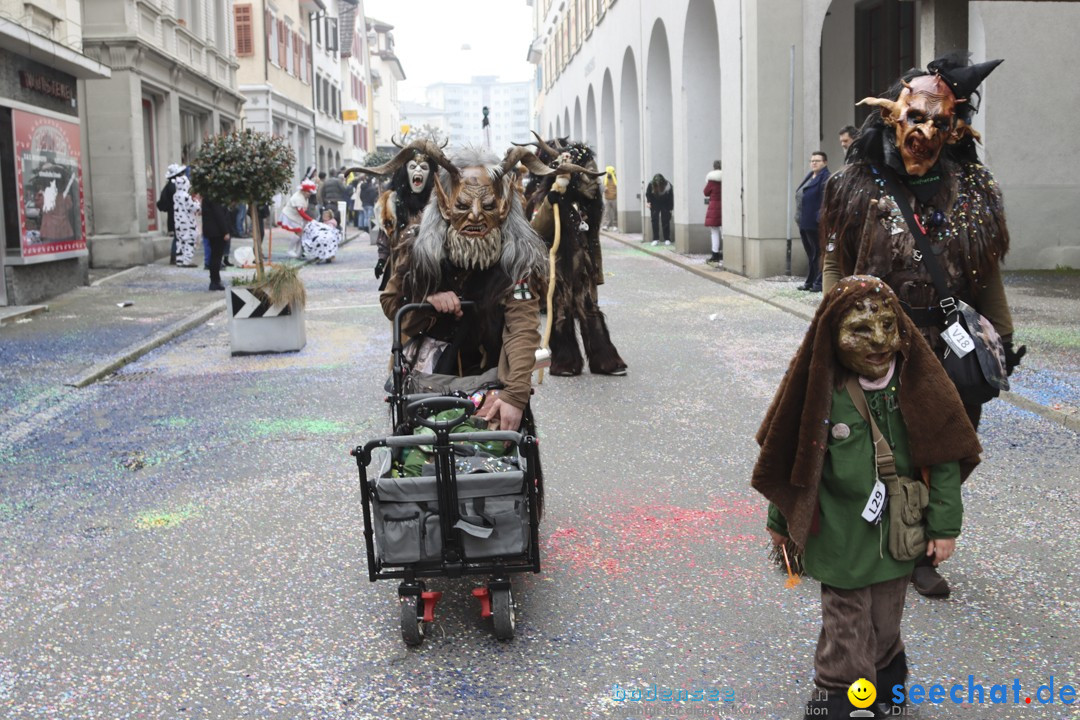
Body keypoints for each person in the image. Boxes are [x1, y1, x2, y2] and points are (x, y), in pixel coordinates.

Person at [820, 53, 1025, 598]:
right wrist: (831, 322)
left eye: (940, 122)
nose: (926, 132)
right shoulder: (855, 184)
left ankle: (927, 537)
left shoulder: (974, 189)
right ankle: (901, 545)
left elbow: (986, 271)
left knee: (949, 445)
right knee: (884, 444)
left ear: (955, 126)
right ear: (894, 116)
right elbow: (837, 262)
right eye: (916, 118)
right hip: (879, 341)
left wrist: (1000, 340)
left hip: (949, 345)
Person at [752, 275, 981, 719]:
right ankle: (840, 697)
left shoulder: (918, 384)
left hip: (899, 537)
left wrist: (944, 527)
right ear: (832, 332)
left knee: (884, 623)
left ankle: (886, 686)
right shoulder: (821, 390)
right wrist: (781, 523)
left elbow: (945, 458)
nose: (878, 341)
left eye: (888, 327)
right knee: (846, 623)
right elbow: (790, 461)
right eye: (860, 329)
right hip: (839, 537)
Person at [380, 145, 551, 431]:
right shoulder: (417, 246)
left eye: (486, 206)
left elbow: (522, 325)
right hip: (429, 386)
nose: (474, 216)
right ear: (446, 204)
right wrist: (428, 302)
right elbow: (391, 304)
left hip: (492, 382)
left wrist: (514, 395)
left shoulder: (517, 257)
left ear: (504, 205)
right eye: (462, 205)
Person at [527, 136, 627, 377]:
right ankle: (565, 360)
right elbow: (537, 228)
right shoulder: (546, 198)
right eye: (587, 175)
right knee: (560, 312)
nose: (594, 182)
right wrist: (553, 198)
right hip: (557, 268)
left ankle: (604, 360)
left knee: (589, 310)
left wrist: (595, 270)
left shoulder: (587, 204)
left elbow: (591, 238)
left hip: (583, 268)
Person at [350, 141, 437, 288]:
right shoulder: (392, 202)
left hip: (430, 266)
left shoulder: (437, 202)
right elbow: (386, 235)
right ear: (405, 173)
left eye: (423, 167)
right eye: (412, 167)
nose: (418, 171)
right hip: (400, 266)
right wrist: (382, 260)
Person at [795, 151, 830, 291]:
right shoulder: (810, 176)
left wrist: (819, 219)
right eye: (812, 160)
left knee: (818, 254)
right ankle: (810, 281)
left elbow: (825, 200)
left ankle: (818, 283)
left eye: (818, 160)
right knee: (811, 254)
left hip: (815, 223)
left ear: (825, 163)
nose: (814, 163)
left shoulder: (826, 177)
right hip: (804, 222)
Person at [278, 179, 317, 258]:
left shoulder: (304, 197)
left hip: (295, 216)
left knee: (301, 233)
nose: (310, 194)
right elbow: (301, 212)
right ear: (304, 191)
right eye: (308, 192)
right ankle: (290, 250)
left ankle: (298, 251)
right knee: (299, 232)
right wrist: (311, 220)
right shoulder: (297, 198)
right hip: (290, 215)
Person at [157, 163, 185, 264]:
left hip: (174, 214)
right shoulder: (174, 186)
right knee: (178, 236)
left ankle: (176, 256)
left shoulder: (170, 185)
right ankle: (175, 256)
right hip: (176, 215)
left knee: (178, 236)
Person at [201, 194, 230, 291]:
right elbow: (219, 215)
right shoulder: (214, 197)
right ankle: (215, 281)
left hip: (212, 230)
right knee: (216, 257)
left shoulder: (208, 197)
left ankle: (215, 280)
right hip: (216, 231)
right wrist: (225, 231)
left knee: (215, 256)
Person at [171, 172, 199, 267]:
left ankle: (179, 260)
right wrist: (197, 202)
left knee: (180, 241)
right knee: (189, 240)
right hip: (188, 222)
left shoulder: (175, 195)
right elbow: (194, 208)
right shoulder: (186, 196)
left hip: (178, 223)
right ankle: (187, 261)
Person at [703, 160, 723, 265]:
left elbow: (705, 192)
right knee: (725, 231)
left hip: (714, 206)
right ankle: (726, 252)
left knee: (714, 231)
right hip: (725, 206)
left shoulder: (711, 180)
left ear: (714, 167)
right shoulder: (726, 178)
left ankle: (715, 254)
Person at [645, 173, 673, 246]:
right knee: (654, 220)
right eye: (656, 184)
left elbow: (671, 197)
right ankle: (655, 239)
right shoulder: (650, 184)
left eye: (659, 184)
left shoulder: (668, 186)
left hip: (665, 202)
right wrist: (648, 202)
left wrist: (670, 208)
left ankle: (667, 239)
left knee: (665, 220)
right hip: (655, 203)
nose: (658, 186)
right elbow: (648, 194)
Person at [601, 165, 618, 230]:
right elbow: (602, 187)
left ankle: (615, 225)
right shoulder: (605, 180)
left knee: (615, 212)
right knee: (606, 212)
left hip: (614, 198)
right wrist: (605, 189)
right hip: (607, 198)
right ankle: (605, 225)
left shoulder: (615, 179)